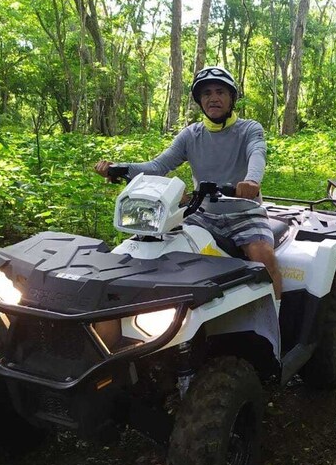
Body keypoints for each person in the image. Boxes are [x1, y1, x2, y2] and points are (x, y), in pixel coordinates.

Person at [94, 66, 282, 299]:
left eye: (220, 92)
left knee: (264, 256)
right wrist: (119, 168)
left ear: (232, 98)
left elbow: (257, 152)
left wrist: (251, 181)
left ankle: (276, 320)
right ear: (200, 101)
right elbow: (157, 166)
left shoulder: (249, 129)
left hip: (244, 212)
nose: (213, 98)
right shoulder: (190, 135)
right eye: (207, 93)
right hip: (201, 212)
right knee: (157, 248)